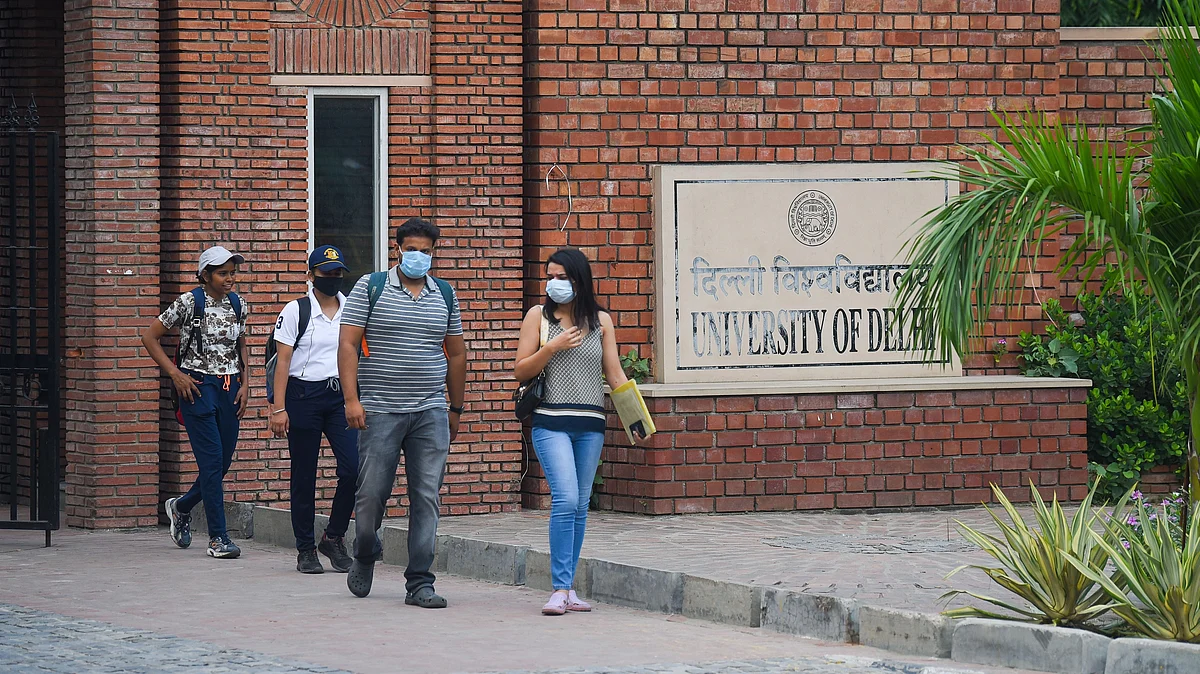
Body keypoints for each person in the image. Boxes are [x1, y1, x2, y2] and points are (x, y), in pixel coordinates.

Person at [338, 217, 467, 608]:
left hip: (430, 410)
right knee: (371, 495)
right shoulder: (371, 286)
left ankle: (420, 583)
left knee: (426, 496)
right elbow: (347, 345)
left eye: (426, 251)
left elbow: (456, 353)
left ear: (434, 253)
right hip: (379, 410)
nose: (418, 257)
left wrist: (455, 407)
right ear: (397, 249)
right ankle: (364, 550)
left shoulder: (444, 294)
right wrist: (351, 400)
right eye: (411, 249)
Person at [512, 247, 628, 615]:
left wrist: (638, 420)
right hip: (550, 421)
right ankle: (559, 589)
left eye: (562, 277)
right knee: (565, 499)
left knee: (580, 505)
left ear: (579, 279)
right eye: (550, 276)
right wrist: (552, 347)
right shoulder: (538, 317)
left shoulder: (601, 321)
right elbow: (520, 370)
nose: (554, 283)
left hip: (590, 424)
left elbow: (615, 374)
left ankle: (569, 587)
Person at [142, 245, 250, 559]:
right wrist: (175, 374)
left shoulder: (238, 304)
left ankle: (182, 506)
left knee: (222, 464)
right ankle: (218, 538)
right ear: (205, 275)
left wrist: (247, 383)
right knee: (211, 463)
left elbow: (241, 344)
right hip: (197, 388)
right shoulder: (188, 302)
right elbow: (149, 337)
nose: (229, 279)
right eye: (222, 273)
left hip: (230, 387)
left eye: (232, 273)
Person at [268, 245, 358, 574]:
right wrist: (278, 408)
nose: (333, 278)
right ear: (311, 275)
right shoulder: (296, 310)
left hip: (340, 396)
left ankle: (333, 537)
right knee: (304, 475)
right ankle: (305, 548)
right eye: (326, 273)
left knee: (353, 469)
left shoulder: (352, 309)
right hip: (303, 395)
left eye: (338, 273)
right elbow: (282, 362)